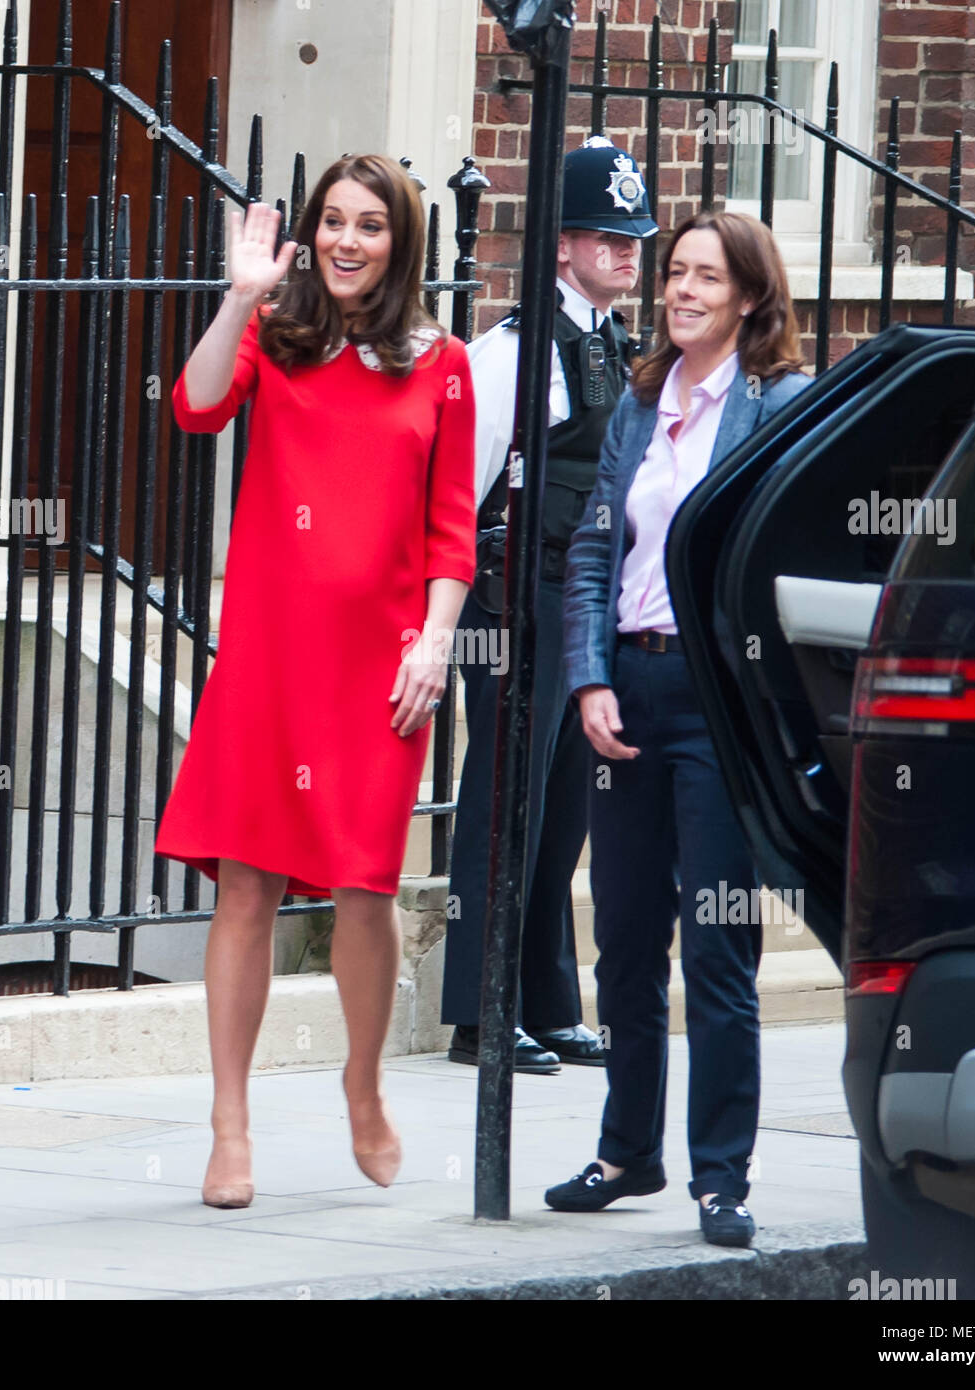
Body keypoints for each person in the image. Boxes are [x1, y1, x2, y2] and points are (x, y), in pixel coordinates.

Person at [154, 155, 476, 1208]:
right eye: (331, 221)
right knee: (244, 882)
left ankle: (362, 1084)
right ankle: (228, 1123)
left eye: (369, 225)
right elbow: (194, 409)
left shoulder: (442, 365)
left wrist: (433, 641)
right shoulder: (273, 337)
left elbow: (451, 527)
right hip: (268, 659)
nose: (345, 240)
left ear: (400, 243)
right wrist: (240, 294)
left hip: (379, 668)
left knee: (363, 888)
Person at [546, 210, 812, 1246]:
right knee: (619, 939)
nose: (681, 291)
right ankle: (627, 1151)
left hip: (718, 709)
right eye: (673, 273)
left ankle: (720, 1177)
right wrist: (586, 678)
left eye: (705, 276)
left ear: (748, 295)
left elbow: (789, 551)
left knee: (715, 948)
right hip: (631, 695)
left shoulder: (777, 402)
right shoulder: (641, 403)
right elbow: (587, 554)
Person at [441, 138, 659, 1073]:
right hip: (513, 602)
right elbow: (462, 490)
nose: (625, 252)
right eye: (607, 236)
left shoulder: (613, 344)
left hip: (584, 602)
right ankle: (478, 1012)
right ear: (562, 243)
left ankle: (544, 1000)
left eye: (632, 237)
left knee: (564, 805)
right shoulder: (510, 351)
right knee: (504, 802)